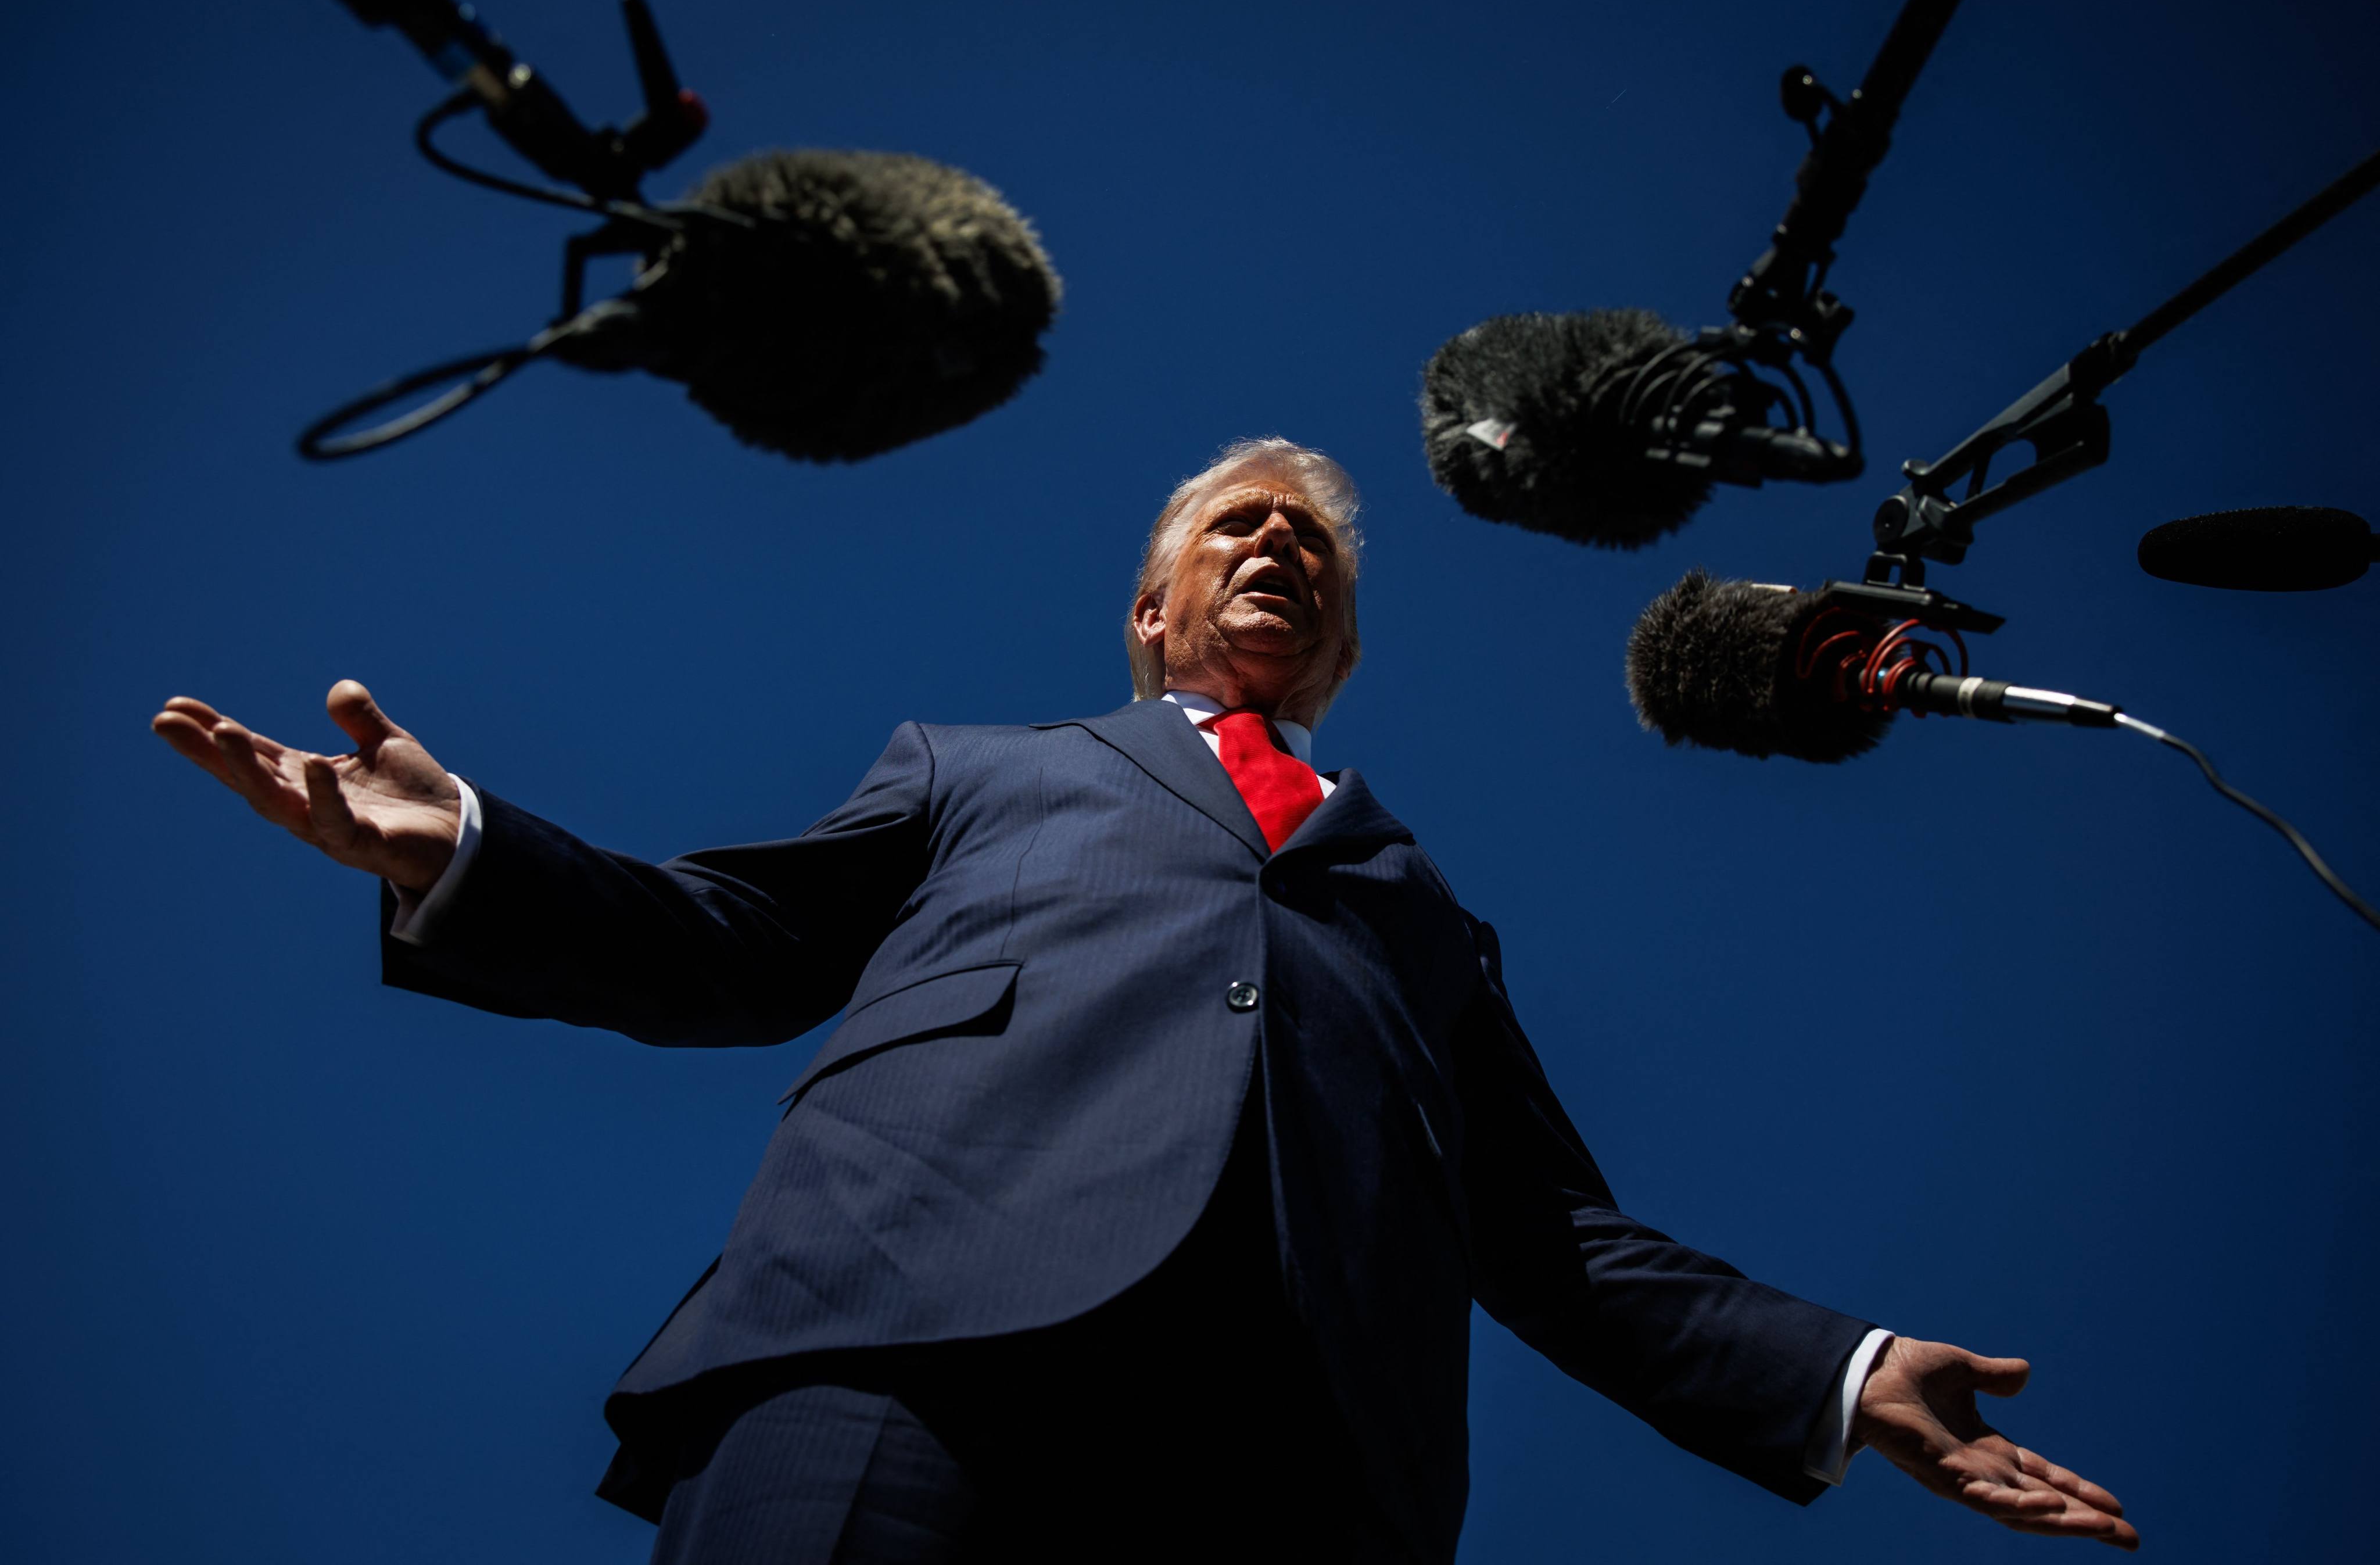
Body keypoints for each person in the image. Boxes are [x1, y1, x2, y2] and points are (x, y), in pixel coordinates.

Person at [153, 438, 2137, 1562]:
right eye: (1236, 524)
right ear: (1152, 608)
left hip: (1298, 1476)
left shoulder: (1423, 905)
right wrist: (467, 849)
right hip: (903, 1362)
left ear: (1339, 644)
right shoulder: (976, 763)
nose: (1276, 542)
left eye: (1312, 546)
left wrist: (1841, 1366)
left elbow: (1544, 1230)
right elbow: (738, 940)